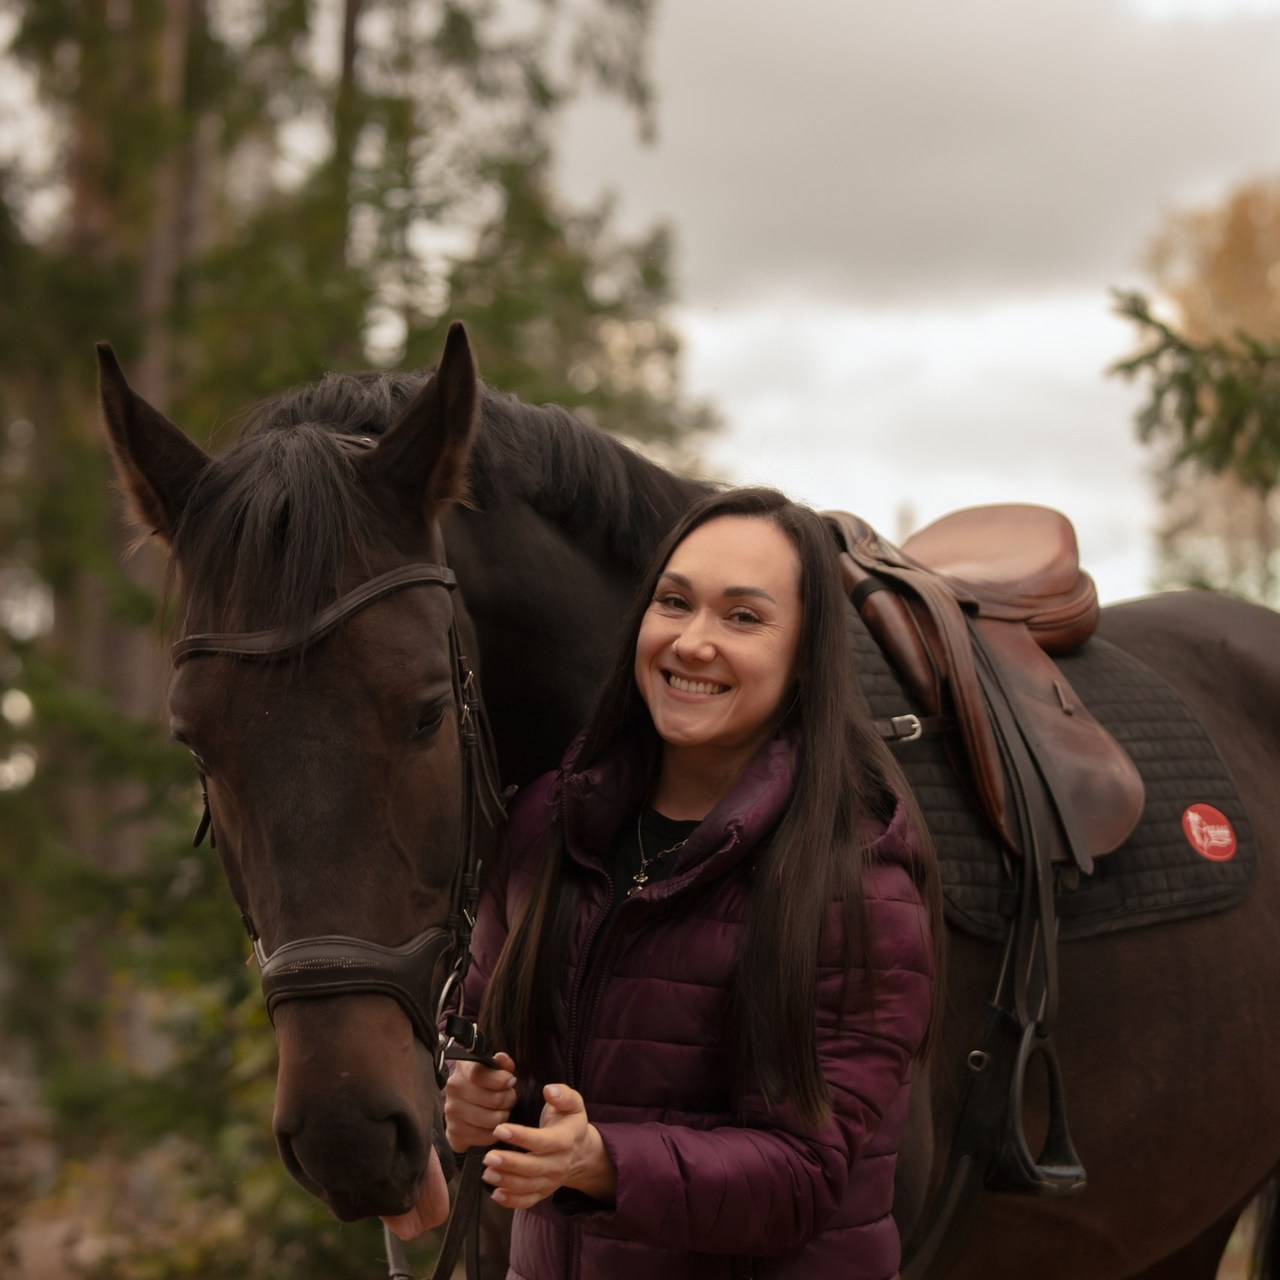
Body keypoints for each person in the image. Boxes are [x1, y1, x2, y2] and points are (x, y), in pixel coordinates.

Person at [442, 486, 942, 1280]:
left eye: (743, 617)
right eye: (674, 603)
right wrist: (470, 1094)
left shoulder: (858, 882)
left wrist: (600, 1162)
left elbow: (805, 1179)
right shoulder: (545, 822)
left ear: (808, 656)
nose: (693, 643)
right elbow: (477, 1030)